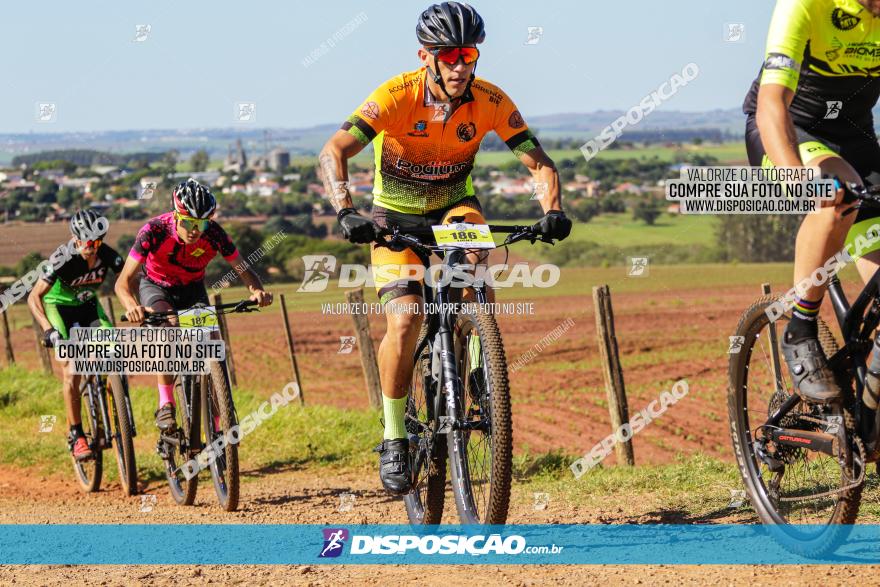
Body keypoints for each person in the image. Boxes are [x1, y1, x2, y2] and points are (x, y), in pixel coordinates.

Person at [318, 1, 571, 495]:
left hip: (455, 208)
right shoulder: (396, 95)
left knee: (475, 276)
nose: (459, 65)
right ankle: (394, 435)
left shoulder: (492, 99)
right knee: (406, 318)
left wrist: (553, 209)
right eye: (449, 54)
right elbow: (334, 151)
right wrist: (345, 210)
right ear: (426, 55)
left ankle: (480, 370)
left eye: (468, 54)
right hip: (395, 217)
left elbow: (538, 163)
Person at [743, 0, 880, 404]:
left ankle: (867, 414)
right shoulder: (805, 5)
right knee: (836, 193)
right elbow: (771, 105)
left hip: (856, 138)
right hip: (787, 130)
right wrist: (799, 179)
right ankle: (801, 329)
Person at [114, 179, 273, 430]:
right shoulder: (153, 231)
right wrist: (132, 305)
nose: (195, 230)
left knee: (211, 342)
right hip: (156, 287)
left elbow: (243, 269)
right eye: (188, 222)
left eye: (202, 223)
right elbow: (122, 282)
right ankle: (166, 403)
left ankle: (223, 419)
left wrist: (257, 291)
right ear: (176, 215)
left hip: (192, 289)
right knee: (168, 333)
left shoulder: (214, 234)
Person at [28, 209, 123, 460]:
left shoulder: (107, 255)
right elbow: (34, 296)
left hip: (88, 306)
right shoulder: (62, 259)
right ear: (75, 238)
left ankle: (118, 412)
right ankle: (77, 435)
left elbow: (128, 279)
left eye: (96, 242)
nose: (91, 248)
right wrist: (48, 330)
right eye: (85, 242)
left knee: (115, 350)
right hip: (59, 308)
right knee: (72, 370)